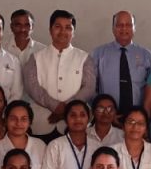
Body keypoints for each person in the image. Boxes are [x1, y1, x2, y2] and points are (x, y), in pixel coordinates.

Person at [22, 10, 96, 139]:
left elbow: (89, 88)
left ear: (73, 32)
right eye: (58, 27)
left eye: (68, 28)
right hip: (41, 124)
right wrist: (55, 106)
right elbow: (32, 87)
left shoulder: (84, 58)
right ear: (50, 30)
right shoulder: (36, 58)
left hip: (74, 125)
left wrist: (67, 108)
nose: (62, 31)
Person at [91, 10, 151, 116]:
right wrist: (102, 111)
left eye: (128, 25)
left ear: (134, 28)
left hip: (137, 117)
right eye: (119, 25)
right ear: (113, 28)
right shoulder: (98, 54)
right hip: (106, 117)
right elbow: (91, 88)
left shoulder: (146, 55)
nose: (124, 29)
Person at [41, 100, 97, 169]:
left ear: (88, 119)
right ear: (66, 119)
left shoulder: (97, 147)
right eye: (73, 115)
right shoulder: (55, 146)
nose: (78, 119)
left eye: (82, 115)